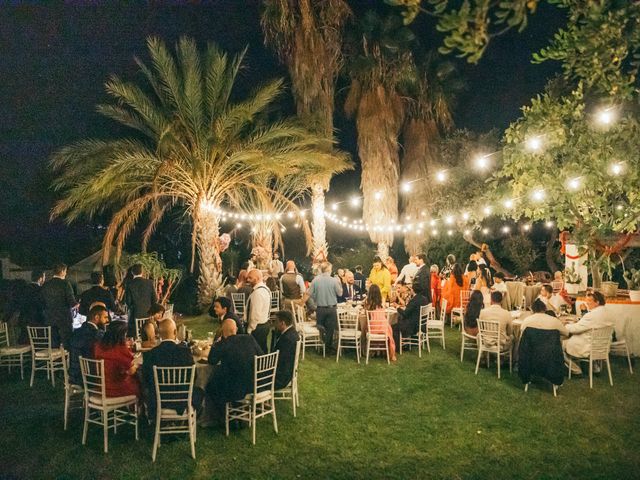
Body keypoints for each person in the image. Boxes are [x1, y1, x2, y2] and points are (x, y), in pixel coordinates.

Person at [206, 318, 263, 424]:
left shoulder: (224, 344)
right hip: (254, 384)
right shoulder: (249, 339)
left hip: (235, 389)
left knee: (210, 386)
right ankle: (238, 412)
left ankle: (225, 418)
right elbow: (261, 356)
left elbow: (211, 360)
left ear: (223, 332)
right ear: (236, 329)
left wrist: (217, 343)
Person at [142, 318, 195, 421]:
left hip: (158, 400)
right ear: (175, 332)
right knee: (199, 392)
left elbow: (146, 378)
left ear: (159, 335)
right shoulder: (185, 352)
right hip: (181, 400)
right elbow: (194, 376)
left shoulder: (151, 354)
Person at [565, 291, 614, 372]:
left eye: (589, 301)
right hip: (602, 347)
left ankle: (575, 370)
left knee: (560, 343)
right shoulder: (608, 312)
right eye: (586, 300)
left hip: (588, 347)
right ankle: (594, 366)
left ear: (597, 302)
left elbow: (575, 329)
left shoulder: (591, 315)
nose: (587, 303)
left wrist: (565, 325)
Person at [93, 321, 141, 398]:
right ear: (121, 335)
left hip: (103, 387)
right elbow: (131, 371)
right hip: (117, 388)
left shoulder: (98, 346)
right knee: (143, 383)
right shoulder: (120, 350)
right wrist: (136, 365)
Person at [303, 262, 342, 350]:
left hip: (320, 308)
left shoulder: (315, 280)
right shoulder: (334, 280)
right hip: (331, 308)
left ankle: (322, 346)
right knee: (330, 329)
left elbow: (308, 293)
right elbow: (340, 293)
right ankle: (328, 347)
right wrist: (339, 283)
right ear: (329, 270)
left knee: (321, 327)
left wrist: (301, 303)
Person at [68, 304, 109, 386]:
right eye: (105, 317)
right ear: (97, 317)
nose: (107, 320)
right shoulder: (97, 335)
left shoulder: (77, 332)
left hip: (74, 375)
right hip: (91, 378)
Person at [41, 263, 77, 348]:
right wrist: (77, 304)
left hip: (50, 318)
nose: (66, 273)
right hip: (64, 319)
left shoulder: (46, 285)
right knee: (67, 343)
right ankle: (67, 360)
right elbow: (72, 302)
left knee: (54, 345)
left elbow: (42, 302)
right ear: (62, 271)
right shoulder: (65, 284)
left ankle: (56, 360)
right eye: (65, 271)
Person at [362, 284, 396, 361]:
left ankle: (369, 350)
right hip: (382, 326)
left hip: (373, 327)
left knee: (364, 328)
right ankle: (386, 352)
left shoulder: (367, 302)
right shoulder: (382, 300)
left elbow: (366, 314)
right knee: (390, 331)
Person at [392, 283, 429, 349]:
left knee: (394, 326)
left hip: (413, 326)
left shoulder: (414, 300)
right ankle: (405, 343)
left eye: (411, 289)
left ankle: (397, 347)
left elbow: (405, 314)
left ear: (413, 290)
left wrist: (397, 307)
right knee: (398, 322)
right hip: (421, 324)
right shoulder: (424, 299)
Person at [124, 263, 157, 337]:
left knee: (130, 333)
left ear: (132, 272)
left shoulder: (129, 284)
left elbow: (128, 302)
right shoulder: (149, 283)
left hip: (134, 317)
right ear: (142, 272)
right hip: (148, 317)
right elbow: (155, 300)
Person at [14, 269, 46, 344]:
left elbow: (16, 304)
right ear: (40, 279)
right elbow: (43, 306)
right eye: (44, 277)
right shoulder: (41, 290)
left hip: (24, 321)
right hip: (38, 322)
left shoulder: (24, 289)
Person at [245, 269, 272, 352]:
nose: (248, 280)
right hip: (264, 324)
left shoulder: (258, 293)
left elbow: (255, 314)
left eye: (250, 278)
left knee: (255, 351)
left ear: (256, 278)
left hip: (257, 327)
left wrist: (249, 330)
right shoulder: (266, 289)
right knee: (262, 348)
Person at [272, 310, 299, 390]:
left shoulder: (287, 339)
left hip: (281, 378)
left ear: (282, 323)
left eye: (276, 321)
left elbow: (279, 360)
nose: (274, 324)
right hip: (288, 372)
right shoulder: (293, 332)